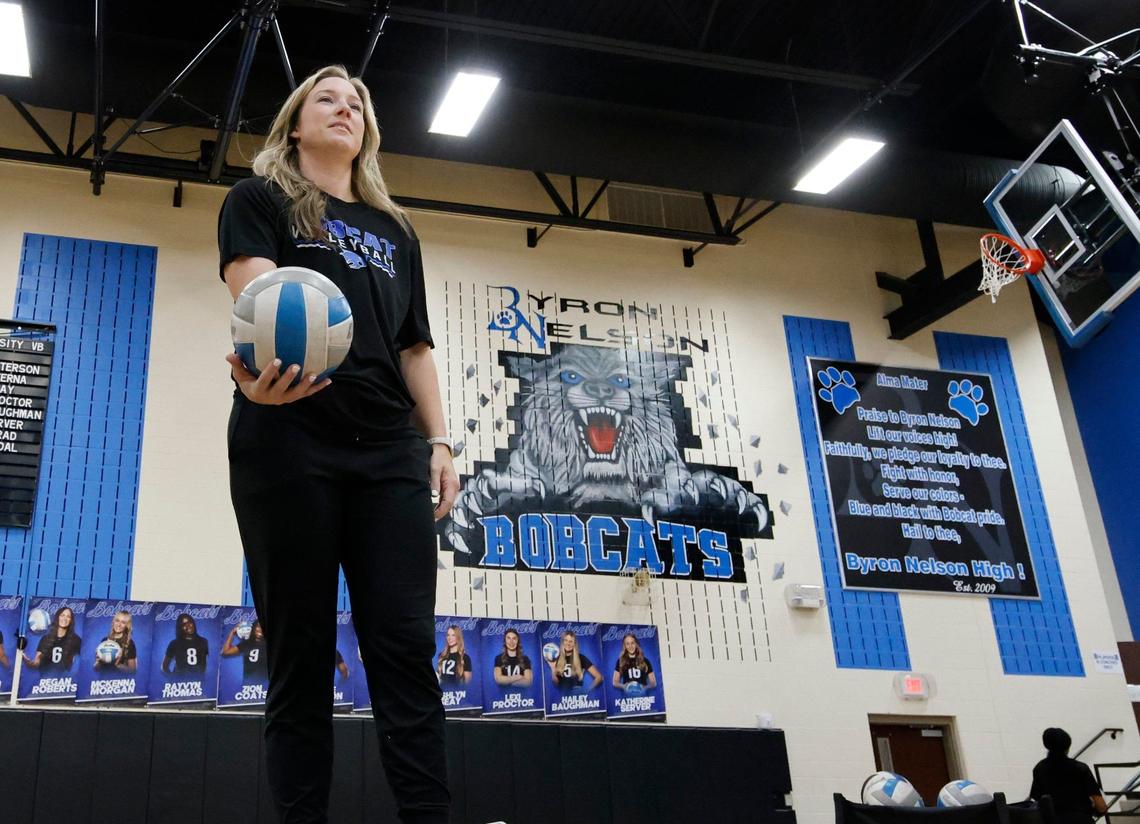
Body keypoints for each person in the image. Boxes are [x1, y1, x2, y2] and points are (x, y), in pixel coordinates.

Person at [218, 64, 456, 824]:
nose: (345, 107)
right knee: (301, 656)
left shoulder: (397, 229)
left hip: (389, 448)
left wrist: (441, 442)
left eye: (357, 103)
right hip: (289, 434)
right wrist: (260, 372)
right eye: (327, 97)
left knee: (406, 653)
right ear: (296, 123)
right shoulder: (259, 200)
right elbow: (261, 297)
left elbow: (415, 347)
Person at [1030, 727, 1108, 824]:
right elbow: (1101, 805)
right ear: (1067, 747)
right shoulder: (1080, 768)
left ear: (1046, 745)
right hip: (1082, 820)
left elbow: (1037, 799)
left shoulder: (1039, 769)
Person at [23, 607, 81, 673]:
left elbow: (85, 660)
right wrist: (28, 661)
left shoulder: (75, 640)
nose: (65, 619)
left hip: (64, 680)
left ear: (71, 620)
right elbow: (36, 663)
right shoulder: (46, 639)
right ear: (57, 617)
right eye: (62, 615)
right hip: (44, 680)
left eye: (68, 617)